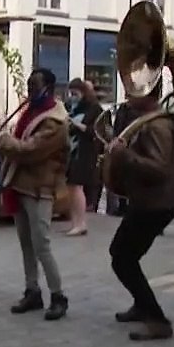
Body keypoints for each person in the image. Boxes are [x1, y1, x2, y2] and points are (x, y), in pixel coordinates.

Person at [105, 79, 174, 342]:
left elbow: (158, 169)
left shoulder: (158, 126)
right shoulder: (152, 121)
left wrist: (122, 154)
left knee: (122, 258)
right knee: (123, 255)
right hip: (149, 201)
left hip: (154, 203)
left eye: (132, 92)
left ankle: (157, 319)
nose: (127, 96)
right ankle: (142, 306)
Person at [0, 67, 70, 320]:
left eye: (34, 87)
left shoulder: (55, 121)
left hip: (41, 189)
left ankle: (58, 295)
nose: (30, 92)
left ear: (49, 88)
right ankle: (32, 291)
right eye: (28, 86)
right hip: (20, 183)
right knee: (26, 244)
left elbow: (30, 150)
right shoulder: (31, 111)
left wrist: (0, 139)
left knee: (42, 245)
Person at [63, 79, 101, 236]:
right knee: (71, 187)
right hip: (72, 150)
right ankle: (75, 222)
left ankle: (80, 223)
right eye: (71, 93)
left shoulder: (94, 109)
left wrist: (78, 125)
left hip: (84, 152)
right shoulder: (73, 108)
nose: (72, 97)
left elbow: (96, 131)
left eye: (75, 93)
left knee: (77, 186)